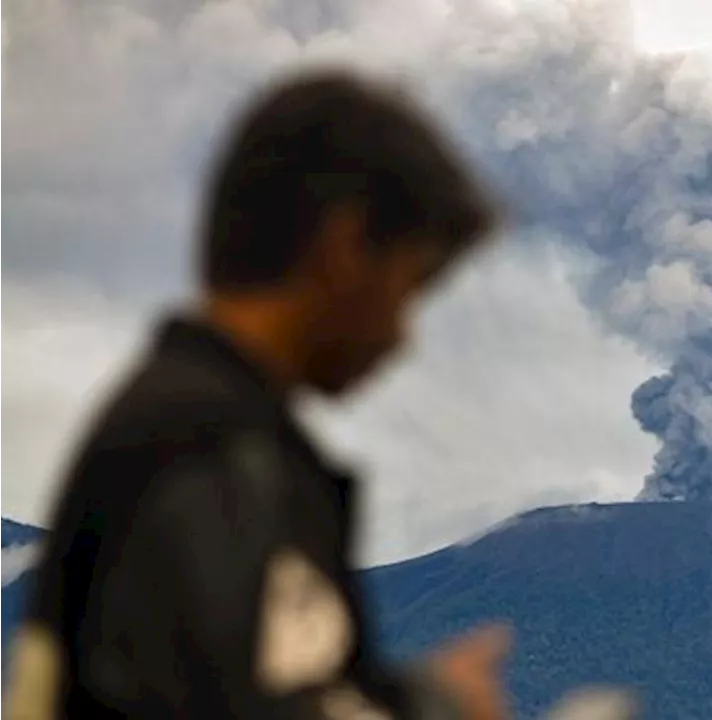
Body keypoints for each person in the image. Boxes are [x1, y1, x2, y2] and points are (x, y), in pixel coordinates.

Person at [5, 69, 509, 720]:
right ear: (345, 244)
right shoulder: (207, 452)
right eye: (409, 286)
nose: (401, 336)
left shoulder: (187, 431)